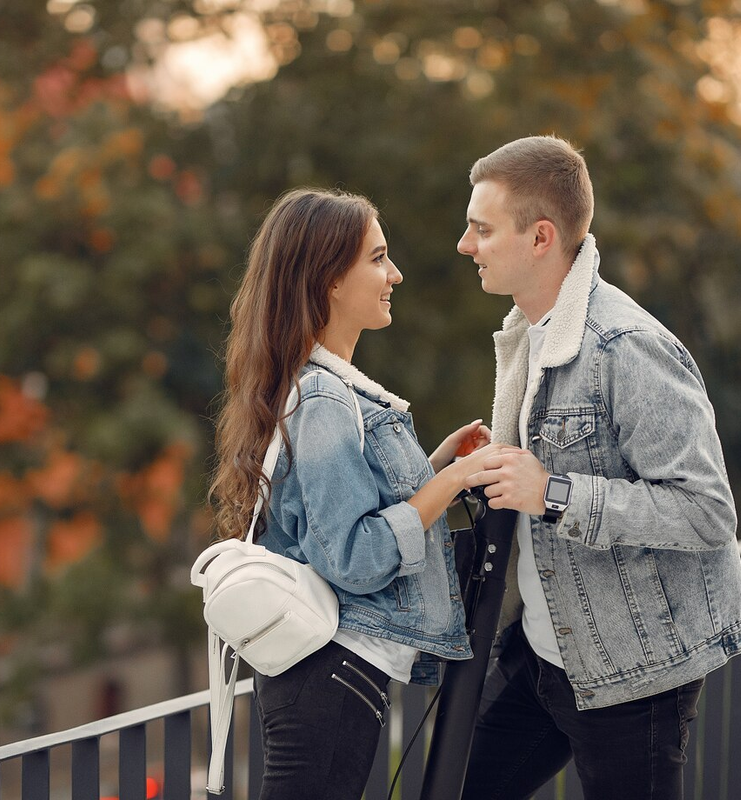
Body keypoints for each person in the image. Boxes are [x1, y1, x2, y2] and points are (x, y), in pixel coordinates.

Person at [455, 136, 741, 800]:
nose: (464, 244)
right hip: (543, 652)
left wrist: (553, 492)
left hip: (632, 673)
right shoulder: (531, 331)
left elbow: (706, 510)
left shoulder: (626, 347)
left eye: (481, 228)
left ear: (540, 237)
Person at [209, 188, 513, 800]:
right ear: (328, 281)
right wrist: (451, 483)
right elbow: (354, 556)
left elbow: (348, 516)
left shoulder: (324, 389)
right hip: (331, 674)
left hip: (330, 675)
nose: (394, 274)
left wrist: (433, 469)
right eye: (377, 259)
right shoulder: (324, 400)